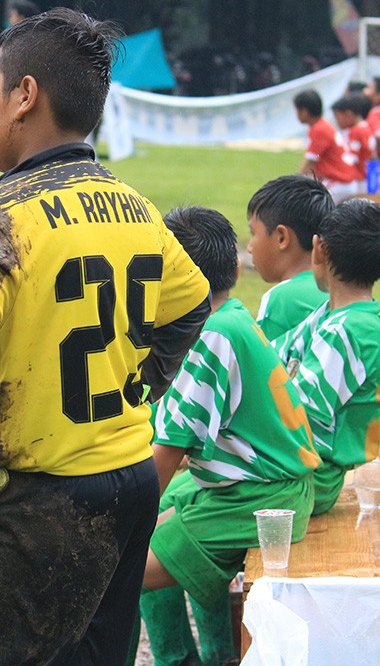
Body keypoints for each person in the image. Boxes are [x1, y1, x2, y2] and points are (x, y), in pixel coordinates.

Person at [0, 7, 211, 665]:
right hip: (127, 481)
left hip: (26, 499)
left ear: (25, 96)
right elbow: (193, 301)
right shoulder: (135, 207)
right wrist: (143, 382)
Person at [137, 206, 320, 666]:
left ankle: (194, 659)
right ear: (234, 269)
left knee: (120, 566)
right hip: (252, 490)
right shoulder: (230, 316)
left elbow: (169, 448)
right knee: (143, 540)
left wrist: (119, 522)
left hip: (258, 499)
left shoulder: (209, 336)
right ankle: (212, 656)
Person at [273, 198, 380, 515]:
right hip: (299, 469)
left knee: (186, 503)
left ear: (318, 250)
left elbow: (297, 414)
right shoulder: (335, 316)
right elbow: (272, 356)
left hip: (309, 477)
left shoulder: (347, 330)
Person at [247, 175, 334, 341]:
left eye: (253, 233)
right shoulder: (339, 289)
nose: (250, 248)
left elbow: (264, 365)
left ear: (282, 238)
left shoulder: (281, 299)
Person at [293, 89, 362, 203]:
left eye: (297, 110)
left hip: (340, 181)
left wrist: (293, 184)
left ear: (304, 111)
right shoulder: (323, 125)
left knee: (313, 206)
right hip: (345, 181)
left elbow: (310, 162)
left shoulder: (318, 129)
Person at [331, 93, 377, 192]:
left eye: (337, 116)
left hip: (359, 180)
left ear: (348, 114)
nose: (336, 121)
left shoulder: (356, 131)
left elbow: (352, 160)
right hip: (367, 179)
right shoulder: (366, 128)